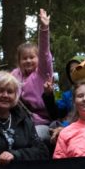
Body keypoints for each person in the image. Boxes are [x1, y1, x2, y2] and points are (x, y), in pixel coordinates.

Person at [10, 9, 54, 140]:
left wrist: (44, 29)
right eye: (24, 58)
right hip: (19, 120)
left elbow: (45, 52)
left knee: (33, 138)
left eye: (32, 57)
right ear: (19, 61)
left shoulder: (42, 73)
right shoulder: (15, 75)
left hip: (42, 122)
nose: (28, 60)